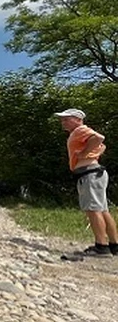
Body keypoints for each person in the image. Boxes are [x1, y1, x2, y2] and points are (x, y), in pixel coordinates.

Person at [55, 108, 118, 257]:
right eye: (62, 119)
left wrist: (83, 154)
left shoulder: (79, 130)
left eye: (66, 119)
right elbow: (102, 146)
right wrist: (91, 152)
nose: (63, 122)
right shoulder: (78, 133)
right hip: (95, 173)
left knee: (93, 209)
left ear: (78, 119)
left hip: (89, 174)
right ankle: (114, 245)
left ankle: (101, 246)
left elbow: (99, 138)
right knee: (102, 210)